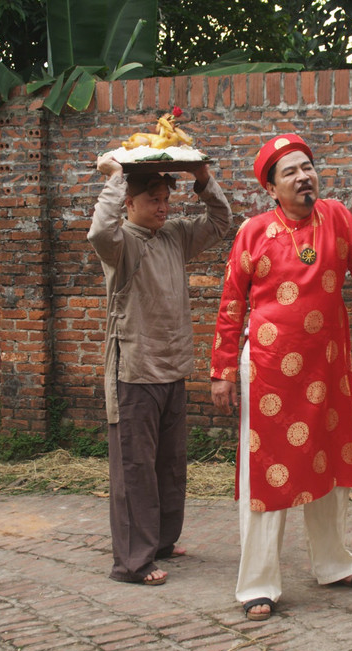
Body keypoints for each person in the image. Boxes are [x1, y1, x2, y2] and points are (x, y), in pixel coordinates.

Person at [209, 134, 352, 620]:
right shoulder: (253, 233)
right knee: (268, 477)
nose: (304, 177)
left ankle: (335, 564)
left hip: (328, 368)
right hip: (269, 373)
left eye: (308, 167)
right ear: (272, 189)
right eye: (290, 173)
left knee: (332, 468)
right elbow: (231, 304)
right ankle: (258, 583)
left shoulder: (338, 218)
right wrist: (221, 372)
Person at [88, 154, 232, 585]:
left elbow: (221, 222)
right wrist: (115, 178)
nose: (163, 206)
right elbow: (99, 230)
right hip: (135, 369)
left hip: (173, 366)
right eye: (153, 199)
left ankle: (163, 542)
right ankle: (133, 561)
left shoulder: (174, 235)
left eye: (166, 198)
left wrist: (203, 178)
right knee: (135, 468)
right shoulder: (121, 244)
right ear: (129, 204)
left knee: (170, 464)